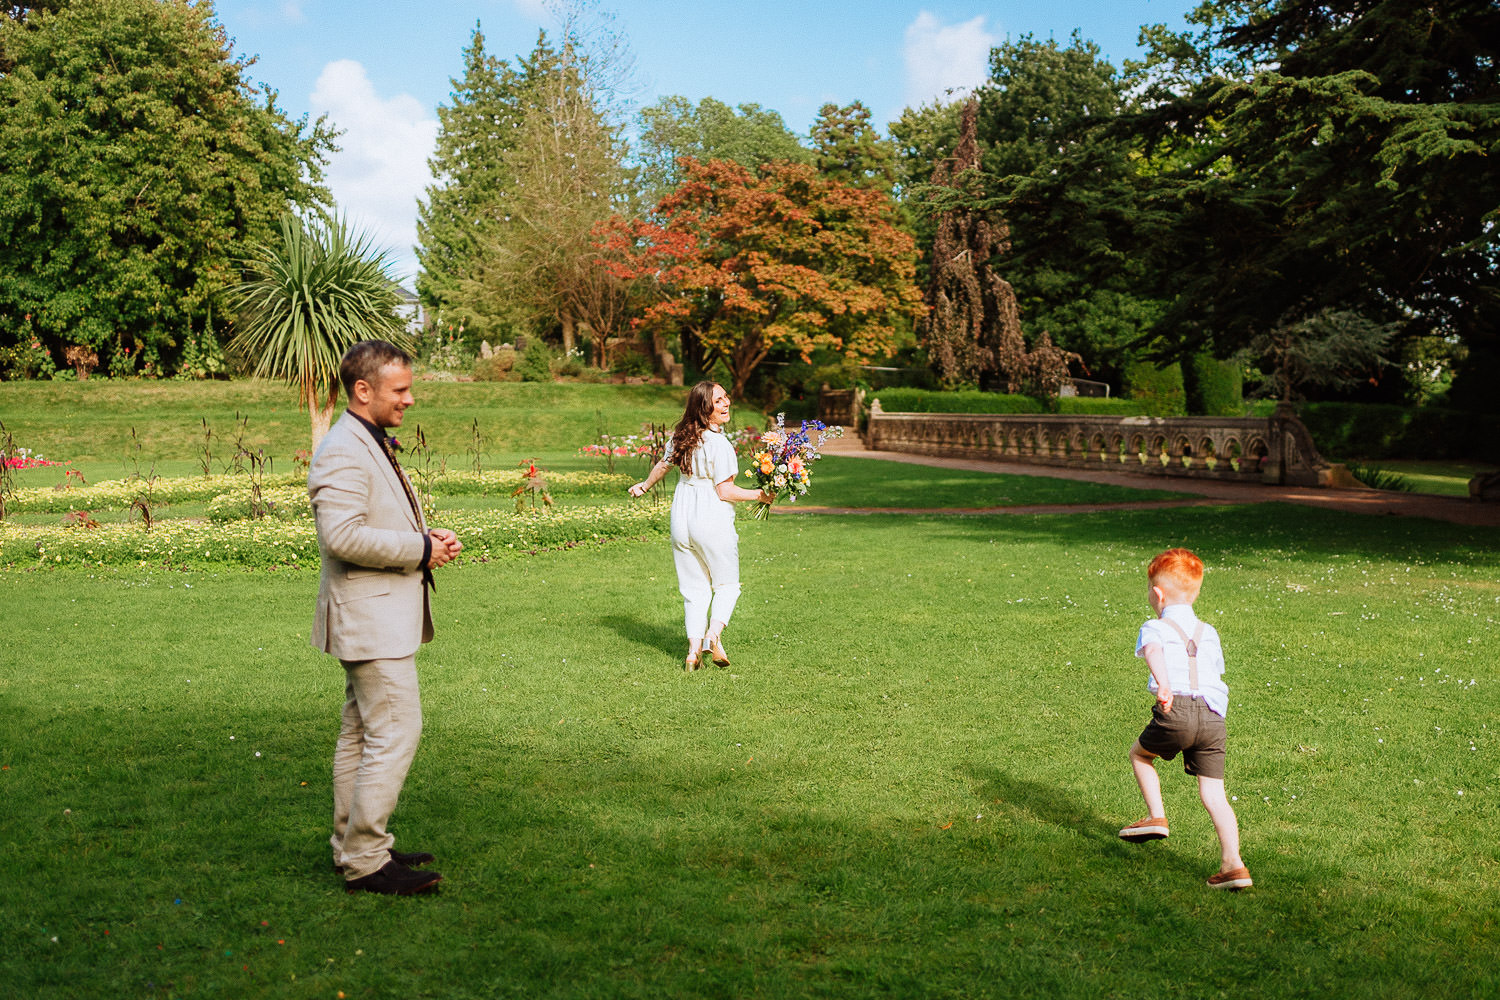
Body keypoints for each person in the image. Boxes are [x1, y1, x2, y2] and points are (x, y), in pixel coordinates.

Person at [308, 340, 463, 895]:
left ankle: (352, 847)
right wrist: (419, 550)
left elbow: (379, 514)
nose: (410, 399)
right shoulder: (343, 448)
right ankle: (367, 860)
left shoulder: (365, 439)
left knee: (362, 732)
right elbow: (342, 536)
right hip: (369, 619)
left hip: (374, 615)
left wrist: (427, 536)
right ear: (363, 390)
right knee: (395, 731)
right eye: (400, 390)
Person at [1118, 547, 1252, 890]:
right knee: (1214, 793)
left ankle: (1156, 817)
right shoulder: (1209, 631)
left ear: (1157, 593)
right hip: (1213, 717)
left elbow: (1154, 651)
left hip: (1175, 708)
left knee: (1139, 754)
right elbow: (1215, 672)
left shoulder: (1154, 627)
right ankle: (1233, 865)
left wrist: (1164, 684)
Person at [629, 382, 772, 671]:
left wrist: (644, 486)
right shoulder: (720, 444)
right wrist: (761, 495)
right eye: (718, 401)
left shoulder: (683, 436)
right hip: (710, 517)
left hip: (681, 517)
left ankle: (693, 653)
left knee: (693, 588)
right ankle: (712, 636)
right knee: (727, 585)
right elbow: (725, 491)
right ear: (704, 408)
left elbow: (662, 465)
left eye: (725, 397)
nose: (726, 403)